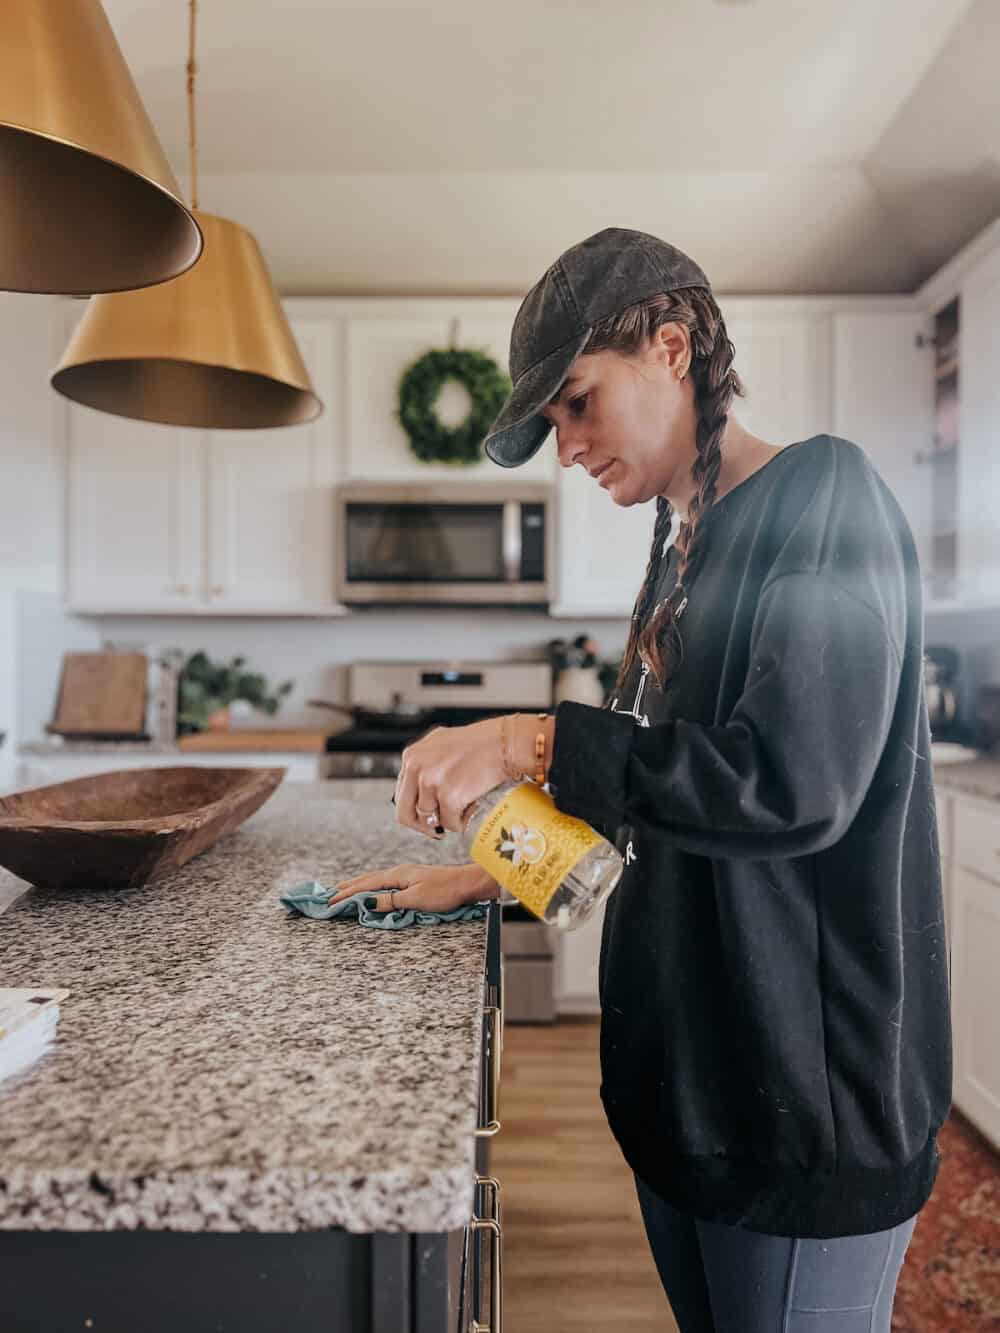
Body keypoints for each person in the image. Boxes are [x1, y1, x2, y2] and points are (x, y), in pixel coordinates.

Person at [328, 228, 953, 1332]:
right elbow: (661, 800)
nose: (566, 446)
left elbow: (789, 783)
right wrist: (488, 873)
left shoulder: (826, 501)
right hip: (694, 1093)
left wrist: (529, 737)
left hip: (802, 1107)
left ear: (671, 347)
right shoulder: (678, 546)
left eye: (575, 402)